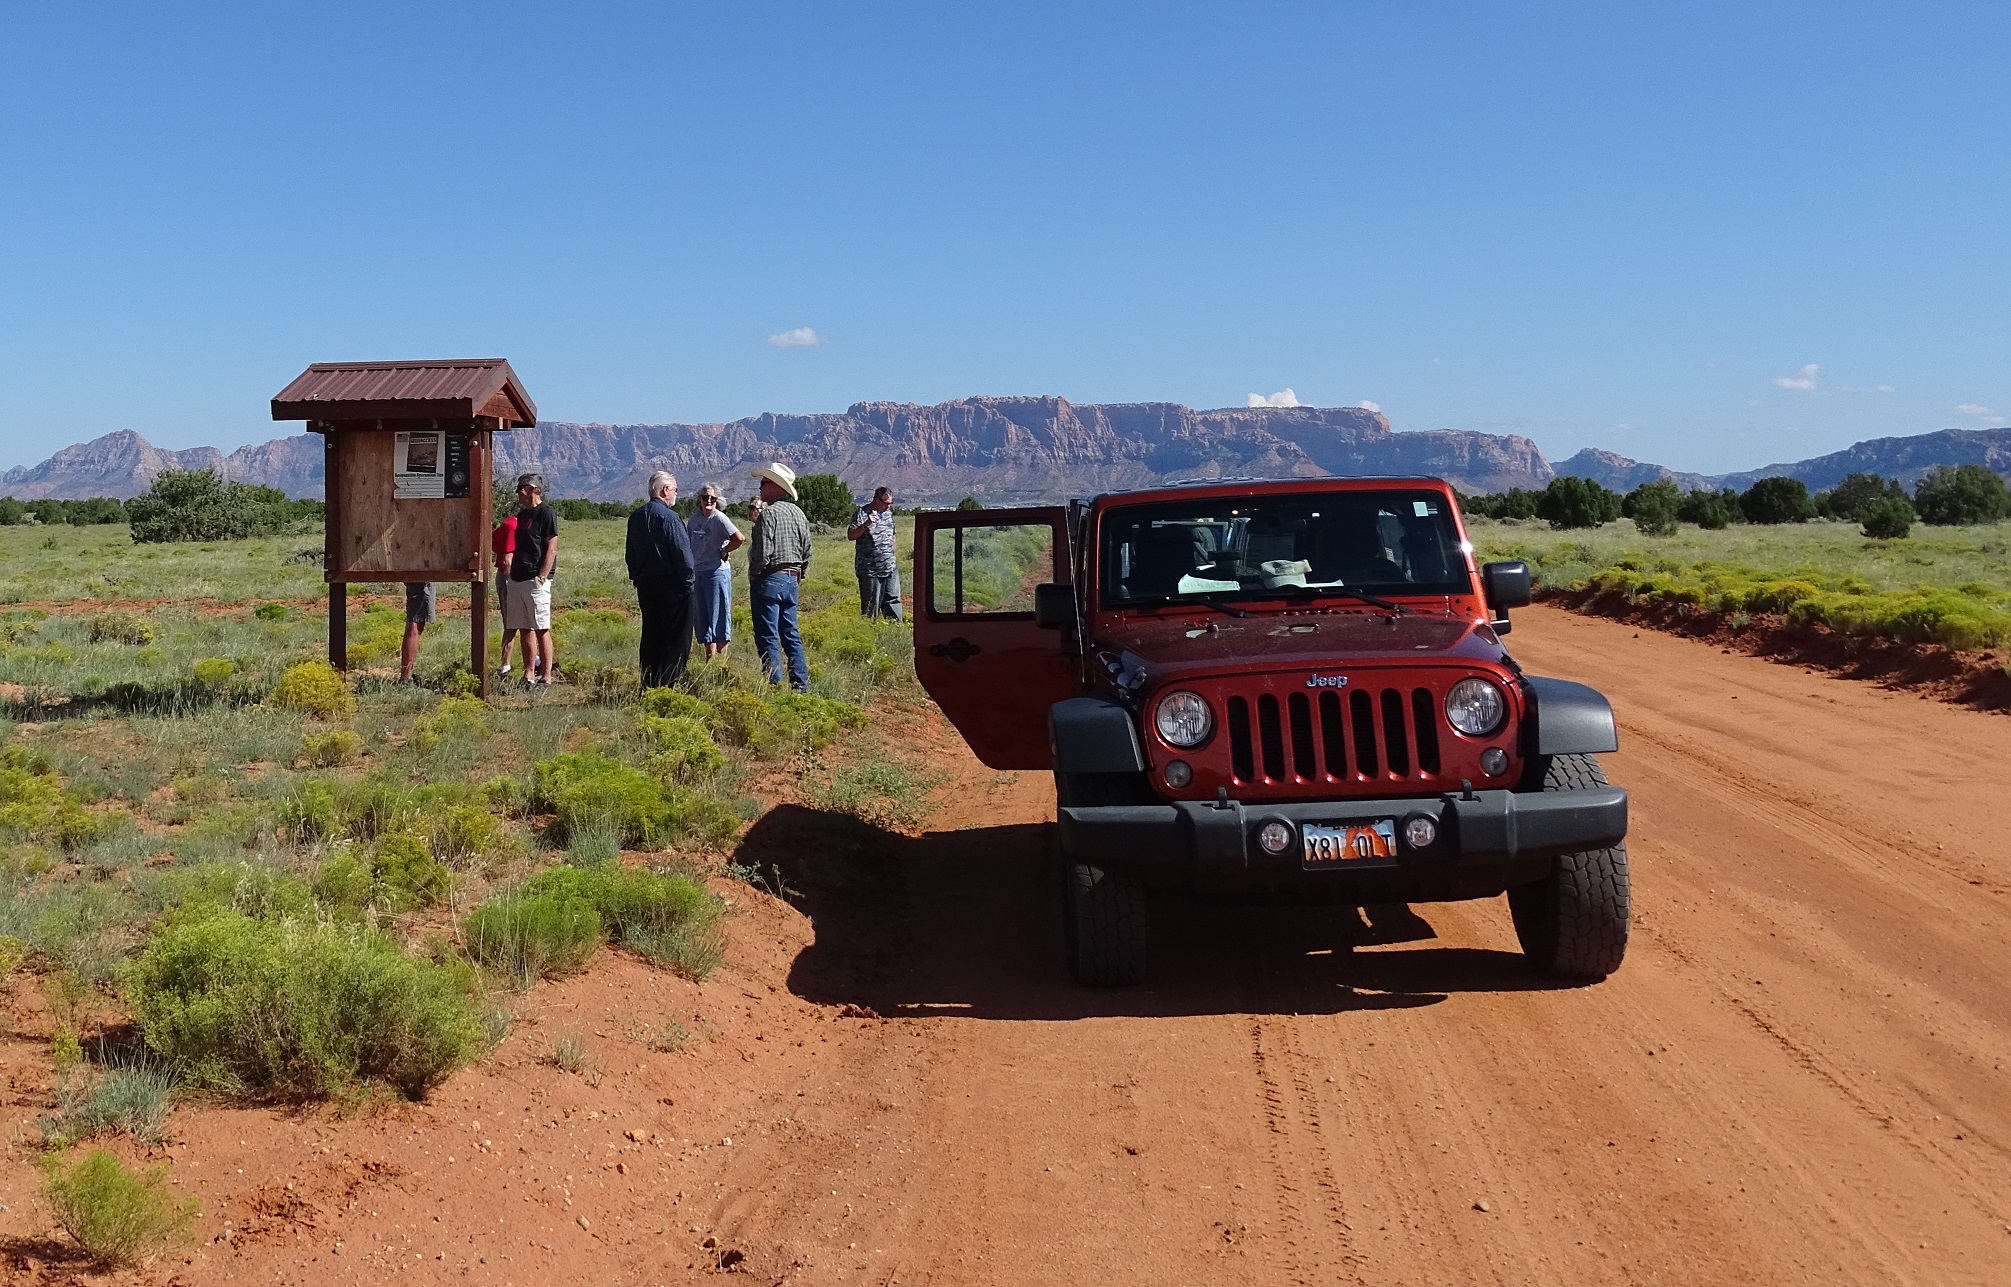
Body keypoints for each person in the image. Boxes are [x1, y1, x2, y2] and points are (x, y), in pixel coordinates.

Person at [626, 470, 696, 688]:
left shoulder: (636, 517)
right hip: (673, 588)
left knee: (651, 636)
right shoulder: (670, 518)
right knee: (676, 639)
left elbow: (630, 555)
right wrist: (688, 585)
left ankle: (648, 684)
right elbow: (683, 555)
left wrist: (638, 578)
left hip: (646, 586)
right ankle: (670, 687)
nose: (676, 494)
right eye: (675, 489)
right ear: (665, 490)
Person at [746, 461, 811, 692]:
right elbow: (807, 550)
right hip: (792, 578)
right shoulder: (799, 513)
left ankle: (773, 685)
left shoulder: (769, 514)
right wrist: (799, 573)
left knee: (767, 634)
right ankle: (800, 685)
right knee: (790, 632)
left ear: (775, 486)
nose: (760, 488)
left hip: (770, 579)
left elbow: (763, 552)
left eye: (764, 483)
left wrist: (755, 575)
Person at [504, 473, 559, 684]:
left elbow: (551, 548)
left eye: (520, 489)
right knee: (524, 627)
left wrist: (542, 577)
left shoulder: (546, 513)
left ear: (531, 489)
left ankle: (546, 676)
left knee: (541, 627)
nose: (518, 493)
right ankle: (529, 673)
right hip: (518, 578)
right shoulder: (522, 515)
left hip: (536, 580)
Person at [685, 484, 744, 661]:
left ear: (718, 501)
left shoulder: (720, 519)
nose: (708, 501)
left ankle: (721, 663)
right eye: (705, 497)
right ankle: (709, 658)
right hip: (698, 573)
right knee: (703, 617)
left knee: (719, 617)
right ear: (699, 500)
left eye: (712, 498)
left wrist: (725, 551)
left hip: (716, 573)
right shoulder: (694, 520)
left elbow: (739, 538)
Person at [847, 485, 901, 620]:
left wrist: (893, 554)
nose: (888, 507)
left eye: (890, 504)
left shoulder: (888, 514)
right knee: (871, 607)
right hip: (870, 569)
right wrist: (866, 524)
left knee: (893, 601)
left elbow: (892, 534)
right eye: (886, 503)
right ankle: (869, 633)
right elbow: (851, 535)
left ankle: (895, 629)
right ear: (876, 500)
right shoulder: (862, 513)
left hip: (889, 567)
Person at [491, 510, 519, 678]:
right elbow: (508, 558)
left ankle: (535, 660)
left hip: (506, 576)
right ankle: (505, 666)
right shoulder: (513, 526)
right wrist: (512, 582)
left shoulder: (507, 523)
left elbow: (492, 539)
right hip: (510, 576)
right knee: (512, 622)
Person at [398, 582, 434, 682]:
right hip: (422, 573)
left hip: (419, 574)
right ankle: (405, 677)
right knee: (416, 620)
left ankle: (406, 675)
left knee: (417, 619)